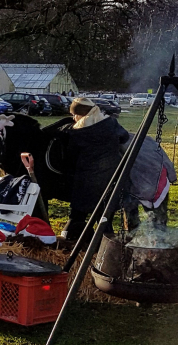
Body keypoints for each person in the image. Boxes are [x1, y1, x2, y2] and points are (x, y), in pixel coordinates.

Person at [60, 97, 129, 245]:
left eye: (75, 114)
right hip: (110, 181)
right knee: (104, 220)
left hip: (85, 183)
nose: (73, 118)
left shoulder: (77, 132)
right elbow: (124, 137)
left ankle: (67, 244)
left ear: (82, 114)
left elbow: (70, 158)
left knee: (76, 217)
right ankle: (107, 251)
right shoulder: (111, 123)